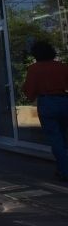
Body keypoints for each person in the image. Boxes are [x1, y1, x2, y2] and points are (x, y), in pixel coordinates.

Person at [22, 41, 68, 182]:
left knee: (55, 139)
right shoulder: (62, 67)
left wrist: (30, 95)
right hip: (64, 100)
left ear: (36, 54)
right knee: (65, 136)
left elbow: (30, 91)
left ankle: (64, 171)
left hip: (47, 103)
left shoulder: (34, 69)